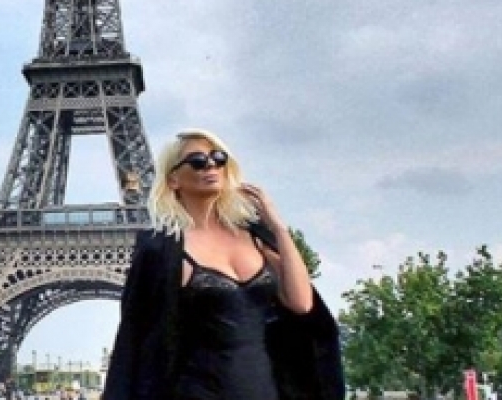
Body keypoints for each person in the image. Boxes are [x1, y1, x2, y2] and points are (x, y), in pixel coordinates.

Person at [102, 129, 345, 400]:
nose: (211, 166)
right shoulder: (161, 250)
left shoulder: (256, 236)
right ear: (173, 179)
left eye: (218, 158)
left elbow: (302, 304)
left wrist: (278, 228)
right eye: (197, 161)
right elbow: (135, 336)